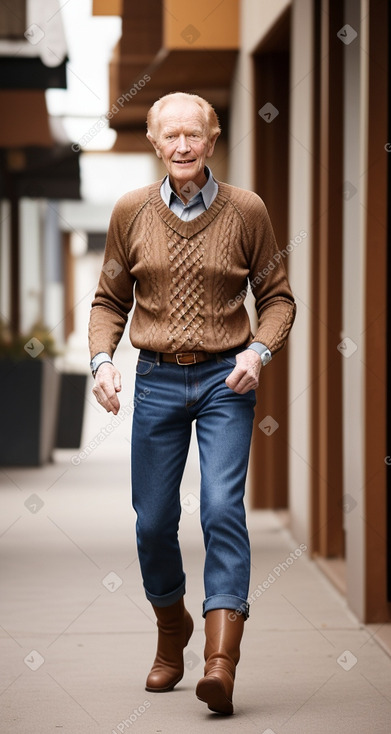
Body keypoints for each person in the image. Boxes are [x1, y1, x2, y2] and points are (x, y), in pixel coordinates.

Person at [88, 91, 296, 716]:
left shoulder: (246, 211)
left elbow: (279, 297)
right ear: (153, 141)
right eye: (170, 136)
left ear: (212, 139)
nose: (182, 147)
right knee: (152, 522)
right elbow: (107, 301)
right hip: (154, 379)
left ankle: (219, 664)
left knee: (220, 508)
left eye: (194, 136)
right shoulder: (129, 212)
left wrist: (258, 352)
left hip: (225, 381)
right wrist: (102, 362)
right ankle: (172, 626)